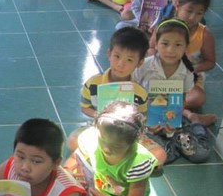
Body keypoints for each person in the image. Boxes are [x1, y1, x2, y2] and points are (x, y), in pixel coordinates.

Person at [66, 26, 167, 166]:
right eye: (117, 56)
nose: (121, 64)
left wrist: (147, 125)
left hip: (128, 135)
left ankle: (106, 157)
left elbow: (142, 116)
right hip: (100, 130)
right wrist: (99, 115)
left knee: (160, 155)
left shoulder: (140, 92)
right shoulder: (93, 83)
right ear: (109, 54)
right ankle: (121, 159)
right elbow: (85, 107)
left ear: (140, 62)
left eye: (129, 60)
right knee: (72, 141)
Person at [66, 101, 156, 196]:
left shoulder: (138, 162)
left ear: (133, 142)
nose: (107, 149)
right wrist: (70, 177)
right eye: (102, 140)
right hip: (96, 189)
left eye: (117, 146)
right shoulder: (90, 139)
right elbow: (73, 161)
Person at [135, 20, 213, 163]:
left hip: (172, 122)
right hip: (145, 122)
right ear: (156, 44)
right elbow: (133, 95)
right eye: (165, 44)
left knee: (200, 155)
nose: (171, 50)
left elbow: (182, 99)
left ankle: (196, 126)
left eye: (178, 45)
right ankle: (170, 144)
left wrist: (172, 121)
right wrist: (145, 122)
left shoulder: (186, 72)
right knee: (159, 157)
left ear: (186, 47)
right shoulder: (144, 66)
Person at [172, 0, 218, 125]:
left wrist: (193, 69)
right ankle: (189, 114)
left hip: (189, 78)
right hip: (161, 75)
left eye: (199, 13)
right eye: (189, 11)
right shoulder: (166, 27)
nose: (192, 17)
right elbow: (152, 48)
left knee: (197, 98)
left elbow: (210, 62)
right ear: (178, 6)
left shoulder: (204, 34)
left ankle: (164, 106)